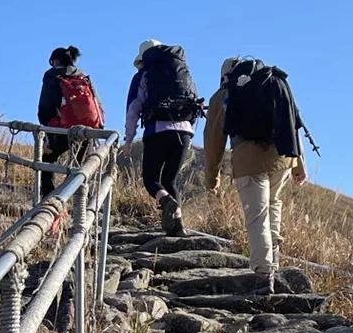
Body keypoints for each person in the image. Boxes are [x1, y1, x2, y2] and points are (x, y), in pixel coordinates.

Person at [204, 57, 307, 288]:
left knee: (257, 215)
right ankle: (274, 262)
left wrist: (212, 177)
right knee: (273, 204)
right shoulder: (272, 83)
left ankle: (263, 275)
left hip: (247, 159)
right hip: (282, 157)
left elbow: (213, 140)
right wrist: (300, 164)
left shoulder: (223, 96)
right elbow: (291, 123)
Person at [124, 40, 205, 235]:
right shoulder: (182, 70)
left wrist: (128, 140)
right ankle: (178, 227)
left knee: (151, 180)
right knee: (171, 180)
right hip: (185, 131)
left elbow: (133, 109)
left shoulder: (143, 75)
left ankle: (166, 201)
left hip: (157, 130)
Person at [36, 45, 104, 196]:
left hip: (62, 128)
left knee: (46, 159)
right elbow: (97, 104)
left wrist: (47, 134)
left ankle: (50, 199)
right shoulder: (83, 77)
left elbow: (45, 107)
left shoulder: (52, 76)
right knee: (77, 166)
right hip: (88, 129)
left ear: (55, 60)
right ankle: (73, 199)